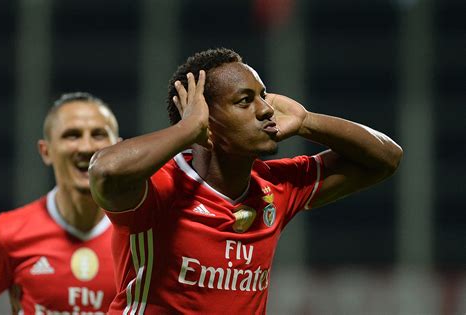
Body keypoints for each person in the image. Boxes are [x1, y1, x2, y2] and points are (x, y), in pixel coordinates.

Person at [89, 48, 403, 314]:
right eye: (245, 101)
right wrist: (187, 130)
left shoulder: (276, 187)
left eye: (263, 97)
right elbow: (105, 171)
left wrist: (308, 121)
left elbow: (386, 158)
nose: (267, 110)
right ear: (206, 121)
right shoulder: (161, 188)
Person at [0, 92, 120, 314]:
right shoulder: (8, 234)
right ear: (46, 151)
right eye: (72, 135)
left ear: (118, 148)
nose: (87, 147)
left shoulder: (141, 237)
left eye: (98, 135)